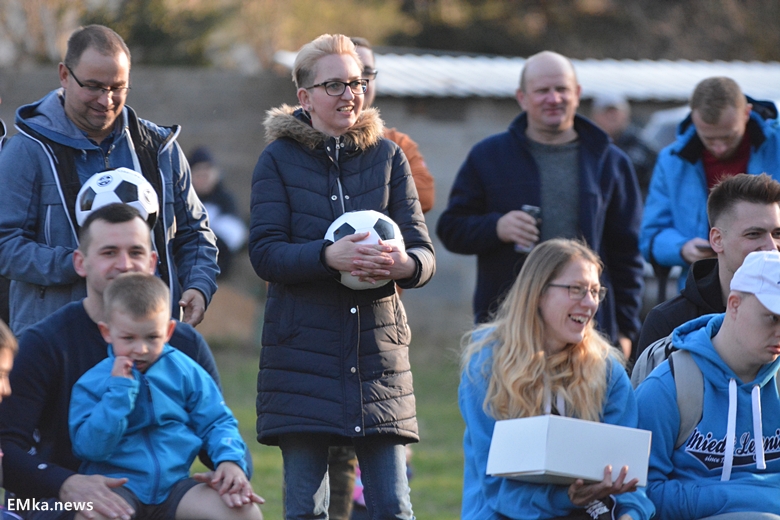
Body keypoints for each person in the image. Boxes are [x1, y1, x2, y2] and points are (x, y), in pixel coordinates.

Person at [249, 34, 435, 520]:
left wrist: (404, 266)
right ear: (304, 97)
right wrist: (326, 257)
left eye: (355, 82)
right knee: (307, 511)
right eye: (334, 84)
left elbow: (423, 252)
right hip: (302, 358)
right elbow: (265, 254)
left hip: (377, 358)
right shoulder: (277, 160)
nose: (349, 94)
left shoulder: (389, 157)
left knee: (393, 507)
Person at [0, 204, 225, 520]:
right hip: (60, 497)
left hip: (165, 492)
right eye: (109, 252)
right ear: (81, 262)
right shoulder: (45, 343)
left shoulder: (183, 343)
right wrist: (64, 483)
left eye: (135, 252)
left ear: (151, 262)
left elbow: (214, 425)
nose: (124, 264)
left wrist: (231, 467)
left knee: (237, 509)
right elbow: (6, 448)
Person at [0, 24, 218, 334]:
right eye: (93, 86)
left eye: (117, 87)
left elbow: (195, 231)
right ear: (64, 75)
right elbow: (4, 244)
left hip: (147, 341)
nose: (106, 100)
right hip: (56, 343)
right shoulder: (27, 150)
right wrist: (77, 263)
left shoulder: (160, 149)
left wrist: (199, 283)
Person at [437, 50, 643, 358]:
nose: (553, 98)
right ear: (522, 97)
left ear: (577, 94)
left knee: (585, 408)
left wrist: (626, 330)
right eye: (542, 90)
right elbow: (450, 229)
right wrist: (497, 227)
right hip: (509, 328)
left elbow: (627, 252)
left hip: (588, 328)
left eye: (561, 89)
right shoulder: (488, 156)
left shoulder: (610, 163)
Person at [320, 36, 434, 520]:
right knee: (329, 458)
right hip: (317, 322)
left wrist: (382, 240)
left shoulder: (394, 145)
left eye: (365, 75)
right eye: (346, 78)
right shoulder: (300, 146)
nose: (356, 85)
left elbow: (423, 201)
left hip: (378, 321)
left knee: (383, 446)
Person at [459, 238, 654, 520]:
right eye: (576, 290)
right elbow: (495, 487)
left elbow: (629, 475)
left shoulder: (605, 368)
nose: (589, 303)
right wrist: (564, 498)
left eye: (595, 292)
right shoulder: (486, 363)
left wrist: (629, 515)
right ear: (538, 292)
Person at [69, 273, 262, 520]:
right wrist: (119, 394)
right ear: (107, 332)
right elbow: (90, 449)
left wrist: (230, 460)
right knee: (92, 516)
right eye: (128, 338)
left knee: (244, 512)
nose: (141, 349)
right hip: (117, 487)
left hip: (175, 488)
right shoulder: (92, 383)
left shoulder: (186, 371)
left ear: (169, 330)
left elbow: (217, 421)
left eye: (152, 337)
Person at [636, 250, 780, 519]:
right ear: (734, 304)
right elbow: (639, 492)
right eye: (773, 317)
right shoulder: (669, 386)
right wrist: (740, 499)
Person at [640, 76, 780, 291]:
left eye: (728, 137)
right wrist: (682, 249)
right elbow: (651, 236)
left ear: (746, 112)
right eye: (709, 139)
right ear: (694, 122)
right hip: (703, 287)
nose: (719, 148)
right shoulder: (672, 161)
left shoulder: (777, 145)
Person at [636, 173, 780, 356]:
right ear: (717, 240)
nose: (771, 247)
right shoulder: (668, 322)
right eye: (753, 234)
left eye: (778, 234)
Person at [188, 146, 248, 278]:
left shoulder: (225, 200)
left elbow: (234, 234)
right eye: (199, 174)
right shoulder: (184, 201)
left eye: (207, 173)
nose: (203, 178)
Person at [590, 93, 657, 198]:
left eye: (615, 112)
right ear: (595, 116)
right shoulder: (588, 147)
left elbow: (656, 186)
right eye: (606, 112)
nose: (611, 116)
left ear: (626, 114)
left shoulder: (643, 146)